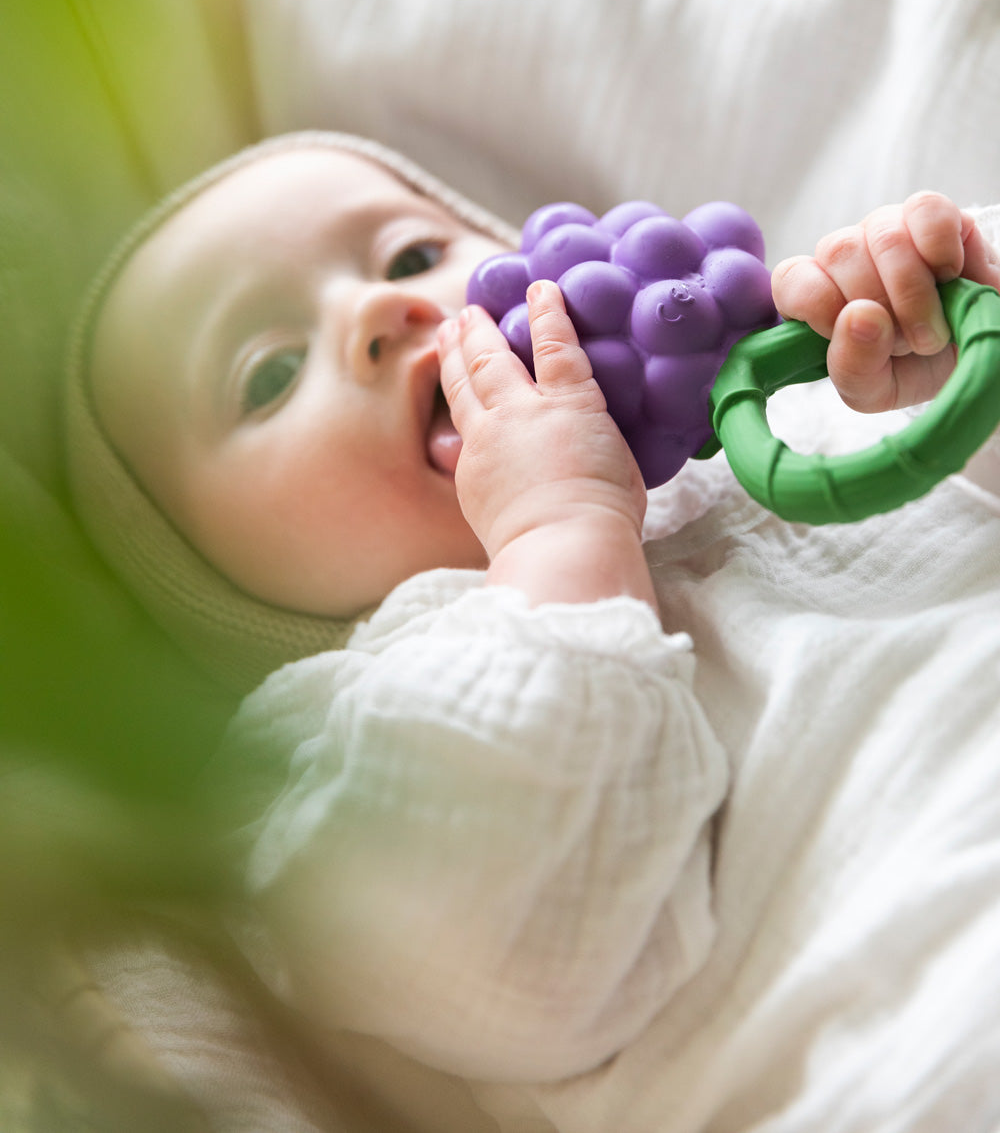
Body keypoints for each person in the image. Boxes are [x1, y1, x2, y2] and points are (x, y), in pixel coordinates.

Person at [65, 130, 1000, 1130]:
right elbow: (513, 945)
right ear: (216, 588)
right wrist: (557, 537)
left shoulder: (794, 421)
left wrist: (936, 317)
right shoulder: (323, 748)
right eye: (267, 375)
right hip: (914, 1045)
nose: (381, 310)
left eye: (413, 257)